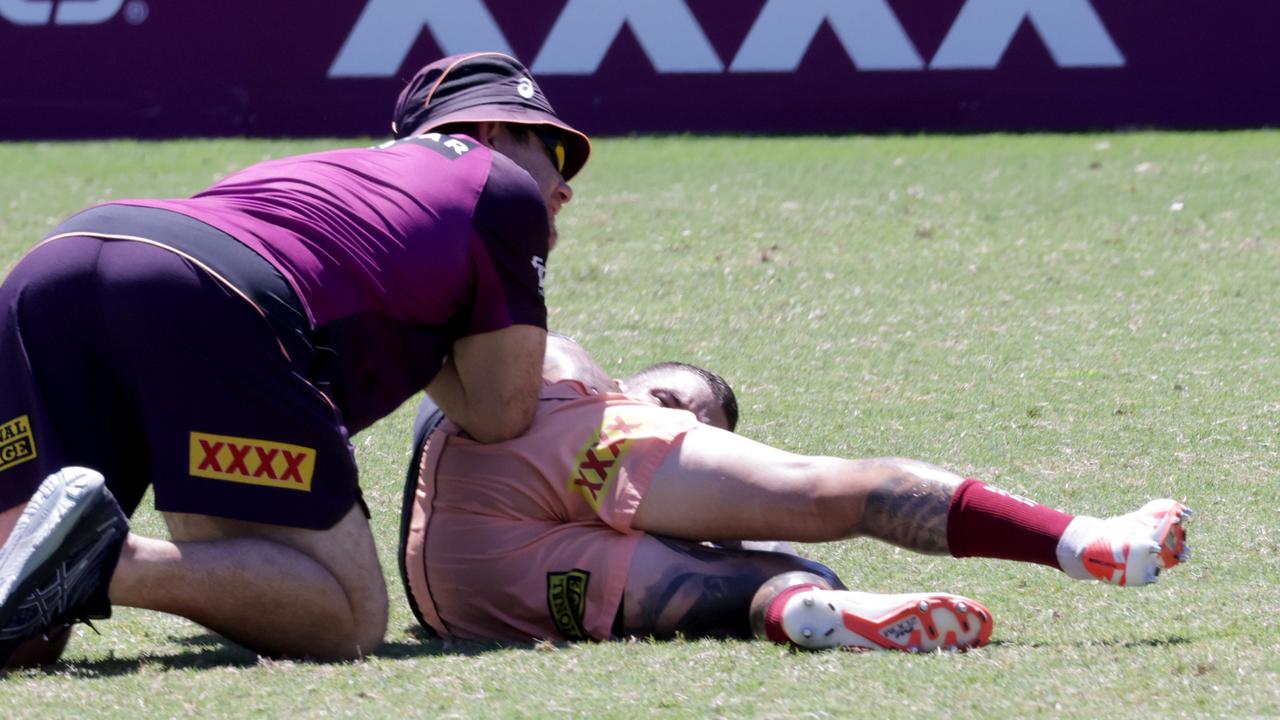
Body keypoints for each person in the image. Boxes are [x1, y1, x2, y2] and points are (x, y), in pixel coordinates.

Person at [0, 51, 590, 664]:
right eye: (553, 152)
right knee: (347, 617)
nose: (565, 186)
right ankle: (109, 561)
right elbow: (500, 413)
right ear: (491, 133)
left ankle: (47, 554)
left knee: (21, 636)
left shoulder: (324, 171)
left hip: (62, 261)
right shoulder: (502, 186)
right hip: (206, 293)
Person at [399, 336, 1192, 650]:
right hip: (509, 461)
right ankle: (1085, 539)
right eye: (670, 404)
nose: (679, 424)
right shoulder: (588, 395)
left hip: (457, 592)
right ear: (633, 384)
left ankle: (813, 615)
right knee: (823, 493)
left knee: (745, 589)